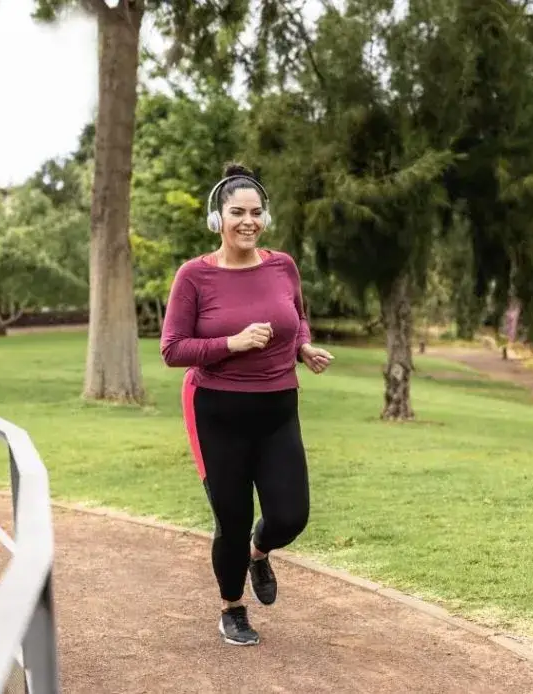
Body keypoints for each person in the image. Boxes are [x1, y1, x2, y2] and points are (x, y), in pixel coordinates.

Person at [159, 162, 334, 646]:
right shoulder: (194, 276)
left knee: (290, 516)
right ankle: (232, 608)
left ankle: (261, 551)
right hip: (216, 410)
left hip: (278, 407)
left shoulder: (282, 266)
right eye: (237, 212)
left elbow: (296, 316)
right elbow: (173, 350)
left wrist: (303, 347)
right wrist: (231, 344)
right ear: (218, 219)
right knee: (230, 521)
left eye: (255, 213)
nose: (247, 221)